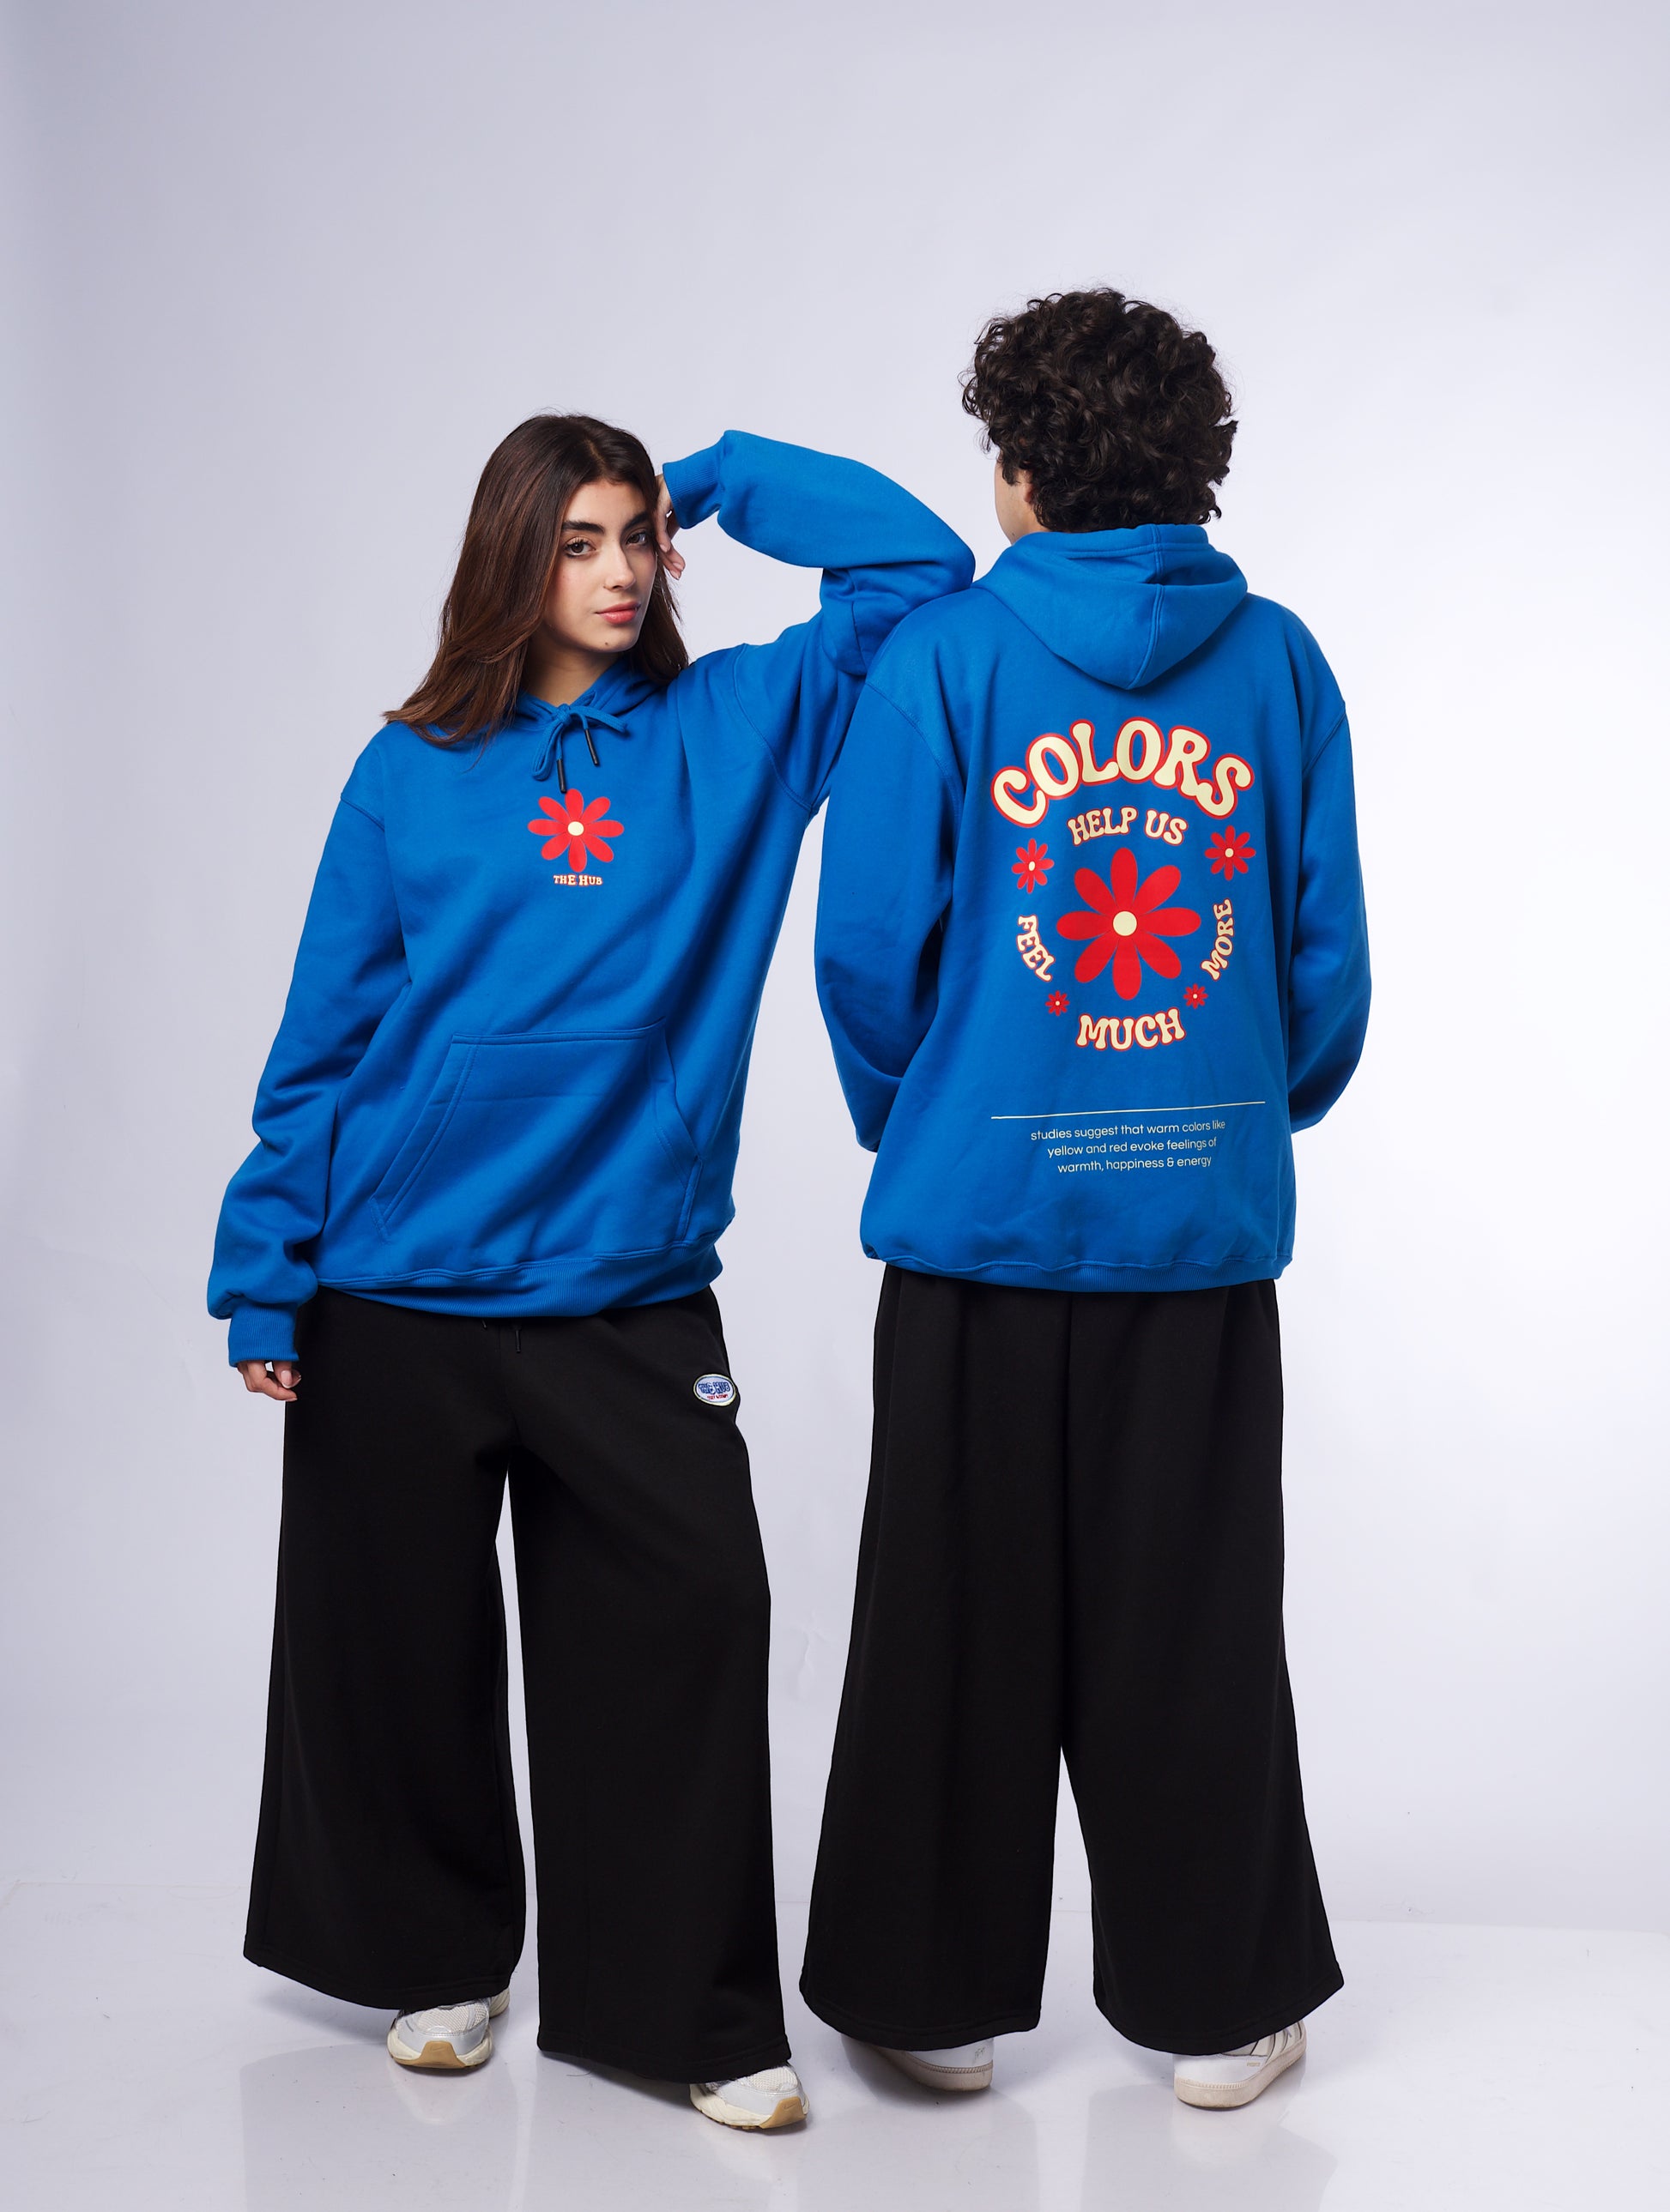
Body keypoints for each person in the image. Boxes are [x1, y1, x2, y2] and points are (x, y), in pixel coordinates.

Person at [209, 413, 972, 2130]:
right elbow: (323, 1038)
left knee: (689, 1622)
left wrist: (715, 472)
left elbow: (918, 569)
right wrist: (267, 1266)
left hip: (626, 1288)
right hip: (393, 1285)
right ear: (512, 555)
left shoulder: (738, 726)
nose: (621, 570)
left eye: (638, 535)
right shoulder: (409, 767)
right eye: (579, 540)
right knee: (397, 1648)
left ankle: (687, 2007)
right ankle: (439, 1956)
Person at [802, 290, 1370, 2110]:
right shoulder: (1277, 663)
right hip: (1192, 1240)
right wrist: (1222, 1113)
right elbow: (1319, 960)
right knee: (1193, 1622)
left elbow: (868, 952)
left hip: (972, 1223)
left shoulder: (943, 659)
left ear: (1023, 474)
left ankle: (924, 1998)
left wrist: (938, 1118)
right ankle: (1218, 2007)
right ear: (1194, 464)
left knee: (945, 1615)